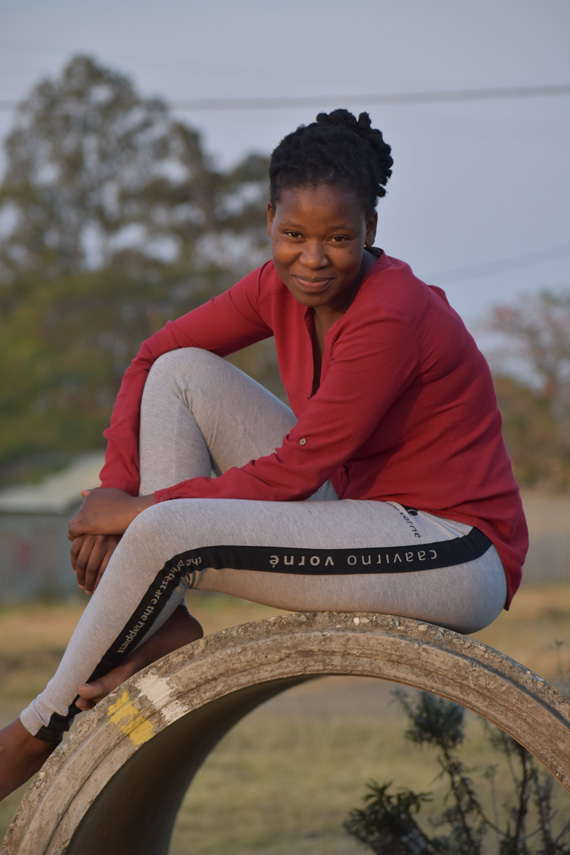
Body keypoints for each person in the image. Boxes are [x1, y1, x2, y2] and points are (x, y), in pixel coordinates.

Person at [0, 109, 528, 800]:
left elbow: (295, 471)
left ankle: (37, 730)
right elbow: (152, 354)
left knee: (165, 529)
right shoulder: (275, 289)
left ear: (371, 230)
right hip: (362, 512)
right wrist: (116, 487)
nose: (313, 258)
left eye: (339, 238)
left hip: (452, 549)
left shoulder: (392, 312)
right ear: (270, 220)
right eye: (294, 235)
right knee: (181, 373)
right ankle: (166, 625)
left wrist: (133, 513)